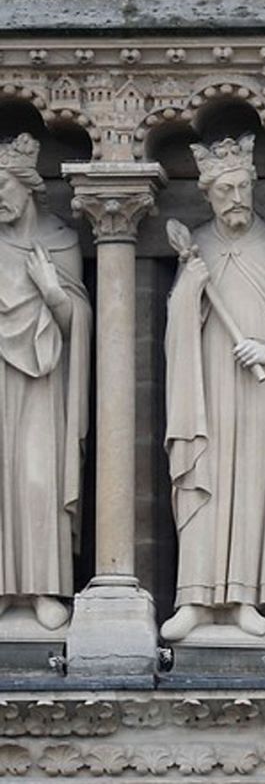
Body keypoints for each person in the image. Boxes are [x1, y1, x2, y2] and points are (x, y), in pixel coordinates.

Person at [162, 135, 265, 641]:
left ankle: (247, 595)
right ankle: (196, 599)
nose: (237, 198)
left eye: (244, 187)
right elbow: (176, 328)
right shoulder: (195, 246)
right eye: (227, 189)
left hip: (261, 389)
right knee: (206, 483)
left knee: (251, 487)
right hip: (207, 388)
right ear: (208, 193)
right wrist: (190, 289)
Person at [0, 134, 90, 633]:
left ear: (28, 186)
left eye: (2, 186)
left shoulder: (60, 240)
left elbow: (78, 322)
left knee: (36, 480)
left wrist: (54, 293)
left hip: (42, 382)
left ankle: (40, 587)